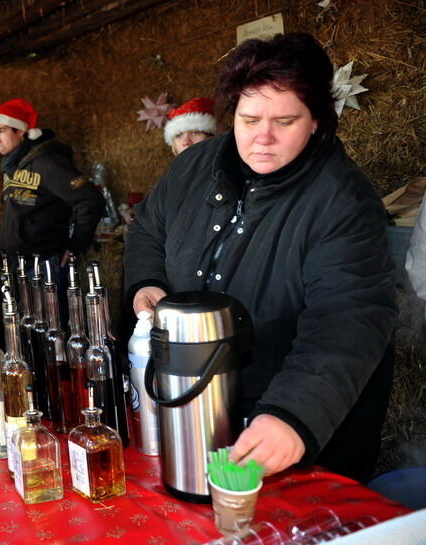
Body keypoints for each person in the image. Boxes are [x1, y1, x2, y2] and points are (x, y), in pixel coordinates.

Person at [125, 33, 396, 483]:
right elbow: (148, 229)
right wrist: (146, 282)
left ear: (317, 122)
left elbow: (349, 316)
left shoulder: (342, 201)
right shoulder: (194, 166)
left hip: (287, 411)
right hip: (194, 397)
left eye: (285, 121)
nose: (263, 138)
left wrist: (291, 414)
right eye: (249, 120)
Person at [0, 98, 104, 267]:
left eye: (1, 131)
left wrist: (76, 246)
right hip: (18, 265)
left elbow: (90, 199)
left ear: (21, 130)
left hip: (44, 265)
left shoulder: (48, 163)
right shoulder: (12, 168)